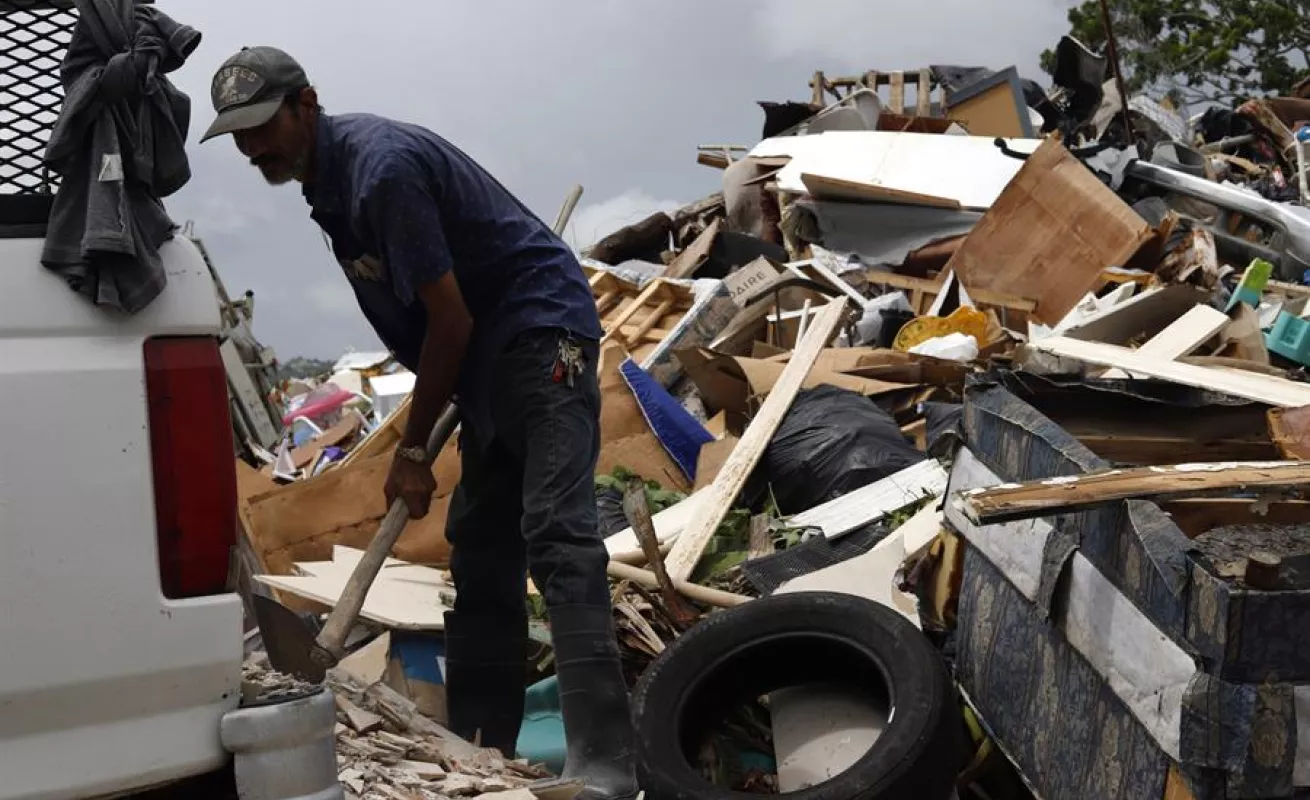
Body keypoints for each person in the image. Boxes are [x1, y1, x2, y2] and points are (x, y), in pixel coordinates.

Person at [201, 46, 638, 800]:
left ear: (306, 103)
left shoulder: (382, 171)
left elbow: (450, 319)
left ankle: (605, 761)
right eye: (240, 135)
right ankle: (481, 749)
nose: (251, 148)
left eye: (262, 127)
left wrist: (411, 450)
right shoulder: (328, 187)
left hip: (541, 338)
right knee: (480, 548)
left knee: (556, 534)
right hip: (486, 359)